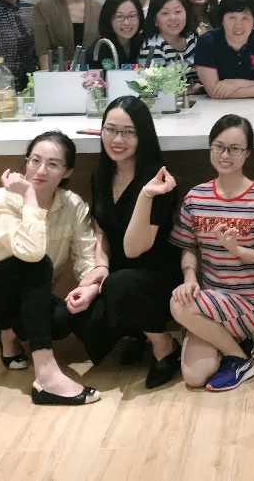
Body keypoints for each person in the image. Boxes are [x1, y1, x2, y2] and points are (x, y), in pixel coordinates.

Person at [0, 131, 105, 405]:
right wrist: (29, 196)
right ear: (26, 162)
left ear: (67, 172)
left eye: (53, 164)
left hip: (18, 298)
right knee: (37, 263)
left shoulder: (72, 205)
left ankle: (7, 332)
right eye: (35, 160)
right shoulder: (1, 199)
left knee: (62, 320)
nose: (40, 170)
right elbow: (31, 253)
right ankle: (47, 377)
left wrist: (90, 287)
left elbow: (86, 257)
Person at [169, 115, 254, 391]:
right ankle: (236, 343)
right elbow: (188, 246)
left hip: (252, 302)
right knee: (194, 377)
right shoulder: (196, 197)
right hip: (210, 300)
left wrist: (238, 250)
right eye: (219, 147)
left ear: (247, 153)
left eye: (234, 149)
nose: (225, 155)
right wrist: (189, 278)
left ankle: (239, 358)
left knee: (180, 306)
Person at [77, 97, 182, 388]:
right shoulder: (101, 174)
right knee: (83, 319)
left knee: (120, 285)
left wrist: (146, 195)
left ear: (142, 136)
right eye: (110, 130)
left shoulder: (159, 181)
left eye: (128, 132)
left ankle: (164, 345)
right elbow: (101, 229)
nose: (117, 139)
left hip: (158, 277)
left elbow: (134, 249)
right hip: (118, 276)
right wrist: (100, 266)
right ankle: (138, 331)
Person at [194, 0, 254, 99]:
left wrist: (236, 83)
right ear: (222, 20)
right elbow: (214, 92)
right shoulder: (207, 42)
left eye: (245, 18)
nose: (238, 25)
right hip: (217, 107)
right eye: (232, 17)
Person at [141, 0, 201, 92]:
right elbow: (155, 90)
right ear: (155, 20)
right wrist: (189, 90)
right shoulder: (153, 49)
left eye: (178, 12)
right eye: (165, 13)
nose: (172, 18)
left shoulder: (193, 38)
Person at [89, 0, 144, 69]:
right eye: (119, 16)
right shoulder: (99, 48)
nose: (126, 22)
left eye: (132, 16)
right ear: (108, 18)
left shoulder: (144, 44)